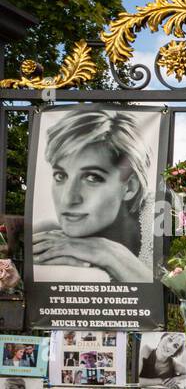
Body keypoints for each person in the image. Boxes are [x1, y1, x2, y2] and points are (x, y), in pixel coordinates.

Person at [32, 109, 154, 283]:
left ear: (130, 187)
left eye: (92, 177)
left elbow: (175, 296)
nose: (68, 199)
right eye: (61, 176)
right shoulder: (48, 235)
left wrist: (109, 253)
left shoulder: (158, 214)